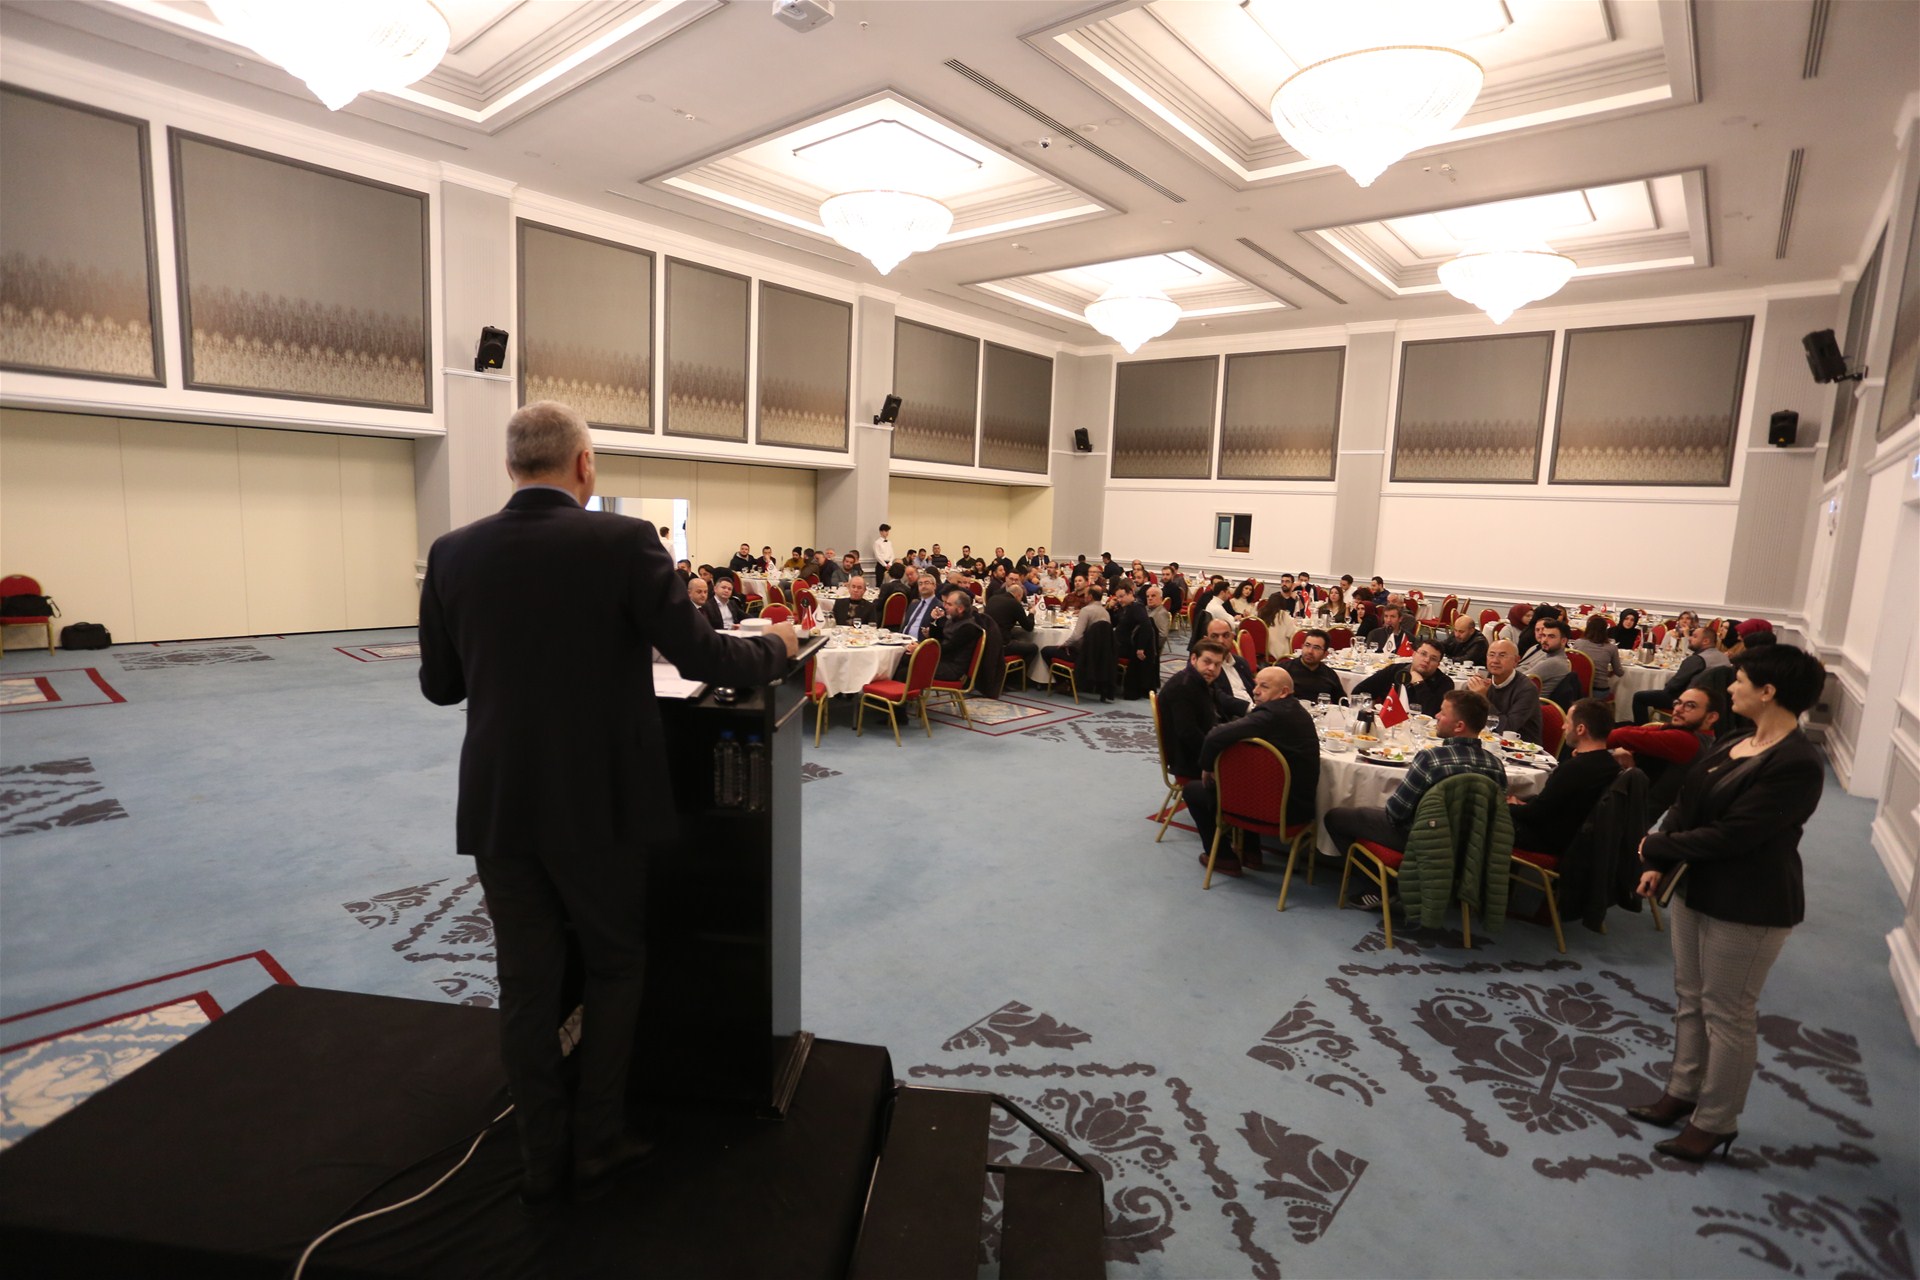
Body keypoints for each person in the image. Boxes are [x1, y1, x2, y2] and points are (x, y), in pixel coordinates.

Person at [418, 401, 798, 1206]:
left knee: (526, 982)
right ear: (583, 464)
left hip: (499, 800)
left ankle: (538, 1155)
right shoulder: (623, 542)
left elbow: (441, 687)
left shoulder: (452, 551)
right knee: (616, 962)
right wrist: (778, 647)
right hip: (600, 803)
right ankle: (598, 1140)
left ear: (511, 466)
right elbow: (702, 655)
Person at [1627, 645, 1828, 1163]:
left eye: (1740, 680)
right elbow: (1687, 803)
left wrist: (1659, 845)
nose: (1732, 687)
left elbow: (1736, 835)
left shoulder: (1798, 763)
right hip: (1697, 886)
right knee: (1690, 996)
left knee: (1728, 1013)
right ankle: (1682, 1091)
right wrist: (1658, 858)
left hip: (1750, 901)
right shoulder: (1737, 739)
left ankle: (1715, 1121)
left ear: (1768, 691)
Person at [1322, 690, 1504, 860]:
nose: (1436, 716)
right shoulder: (1496, 766)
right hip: (1474, 847)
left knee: (1336, 817)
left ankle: (1376, 878)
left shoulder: (1431, 759)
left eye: (1442, 713)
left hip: (1423, 839)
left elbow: (1396, 813)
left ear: (1459, 726)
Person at [1183, 666, 1321, 877]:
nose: (1255, 691)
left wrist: (1207, 767)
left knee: (1193, 791)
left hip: (1280, 811)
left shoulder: (1270, 715)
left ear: (1283, 692)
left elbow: (1215, 736)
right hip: (1299, 804)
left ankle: (1222, 858)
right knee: (1248, 781)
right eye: (1256, 684)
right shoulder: (1296, 711)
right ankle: (1251, 852)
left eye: (1264, 687)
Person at [1508, 698, 1622, 857]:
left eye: (1567, 722)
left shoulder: (1574, 769)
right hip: (1581, 843)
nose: (1563, 727)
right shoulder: (1613, 766)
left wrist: (1511, 806)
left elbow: (1535, 813)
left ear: (1580, 729)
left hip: (1550, 841)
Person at [1610, 684, 1723, 812]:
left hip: (1634, 811)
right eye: (1677, 703)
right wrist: (1624, 747)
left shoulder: (1686, 740)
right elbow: (1638, 732)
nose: (1678, 709)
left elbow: (1621, 736)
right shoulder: (1699, 734)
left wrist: (1619, 745)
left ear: (1711, 717)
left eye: (1690, 705)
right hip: (1633, 796)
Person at [1157, 639, 1227, 779]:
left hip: (1201, 749)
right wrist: (1213, 758)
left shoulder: (1201, 680)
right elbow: (1188, 733)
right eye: (1207, 662)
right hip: (1190, 761)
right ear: (1194, 659)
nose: (1212, 668)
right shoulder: (1182, 688)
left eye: (1217, 664)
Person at [1631, 624, 1729, 724]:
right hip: (1718, 702)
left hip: (1692, 701)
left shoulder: (1697, 660)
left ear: (1706, 641)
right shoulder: (1724, 658)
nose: (1689, 638)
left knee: (1639, 697)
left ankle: (1642, 729)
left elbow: (1674, 685)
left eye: (1694, 636)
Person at [1352, 637, 1454, 717]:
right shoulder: (1394, 670)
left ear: (1438, 664)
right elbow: (1358, 692)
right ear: (1414, 654)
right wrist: (1369, 713)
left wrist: (1419, 684)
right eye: (1423, 654)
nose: (1427, 660)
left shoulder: (1445, 683)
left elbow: (1432, 713)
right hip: (1387, 722)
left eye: (1433, 658)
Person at [1467, 639, 1543, 744]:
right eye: (1491, 655)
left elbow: (1507, 728)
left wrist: (1483, 698)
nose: (1495, 660)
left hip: (1519, 747)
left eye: (1502, 656)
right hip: (1486, 740)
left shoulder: (1527, 689)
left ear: (1516, 661)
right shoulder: (1484, 679)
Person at [1041, 583, 1111, 693]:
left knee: (1046, 650)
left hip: (1083, 654)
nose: (1084, 596)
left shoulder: (1086, 610)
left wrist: (1065, 644)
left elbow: (1077, 636)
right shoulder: (1106, 612)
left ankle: (1064, 683)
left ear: (1090, 597)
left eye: (1086, 594)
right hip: (1099, 654)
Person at [1110, 582, 1158, 700]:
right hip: (1123, 643)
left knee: (1102, 650)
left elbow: (1146, 627)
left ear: (1130, 593)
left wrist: (1140, 648)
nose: (1119, 600)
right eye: (1118, 597)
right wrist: (1111, 609)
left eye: (1122, 596)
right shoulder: (1126, 607)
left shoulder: (1137, 607)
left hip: (1130, 647)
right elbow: (1115, 623)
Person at [928, 585, 985, 683]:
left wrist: (921, 650)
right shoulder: (953, 619)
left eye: (949, 604)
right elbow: (937, 638)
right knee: (906, 659)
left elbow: (947, 649)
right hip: (943, 660)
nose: (945, 606)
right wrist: (934, 620)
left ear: (960, 609)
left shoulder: (968, 627)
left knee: (910, 666)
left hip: (953, 669)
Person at [1281, 628, 1345, 707]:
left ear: (1325, 654)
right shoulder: (1284, 670)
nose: (1310, 651)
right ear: (1302, 647)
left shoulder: (1330, 675)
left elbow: (1342, 704)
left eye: (1316, 648)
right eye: (1307, 645)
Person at [1571, 615, 1625, 700]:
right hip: (1599, 691)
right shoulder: (1611, 648)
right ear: (1605, 631)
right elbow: (1619, 672)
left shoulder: (1578, 643)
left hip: (1578, 689)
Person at [984, 580, 1037, 662]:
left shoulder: (993, 598)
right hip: (1002, 644)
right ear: (1018, 595)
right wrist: (1031, 613)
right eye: (1021, 598)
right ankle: (1020, 669)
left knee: (1017, 637)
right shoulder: (1015, 603)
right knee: (1033, 648)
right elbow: (1029, 627)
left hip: (987, 642)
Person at [1517, 616, 1573, 690]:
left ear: (1563, 641)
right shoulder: (1552, 657)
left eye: (1551, 636)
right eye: (1543, 635)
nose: (1544, 640)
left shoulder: (1554, 662)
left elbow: (1517, 681)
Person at [899, 574, 940, 641]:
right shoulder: (913, 604)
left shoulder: (939, 606)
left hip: (921, 643)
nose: (923, 586)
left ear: (934, 586)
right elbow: (905, 625)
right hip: (902, 640)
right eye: (920, 584)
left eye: (927, 583)